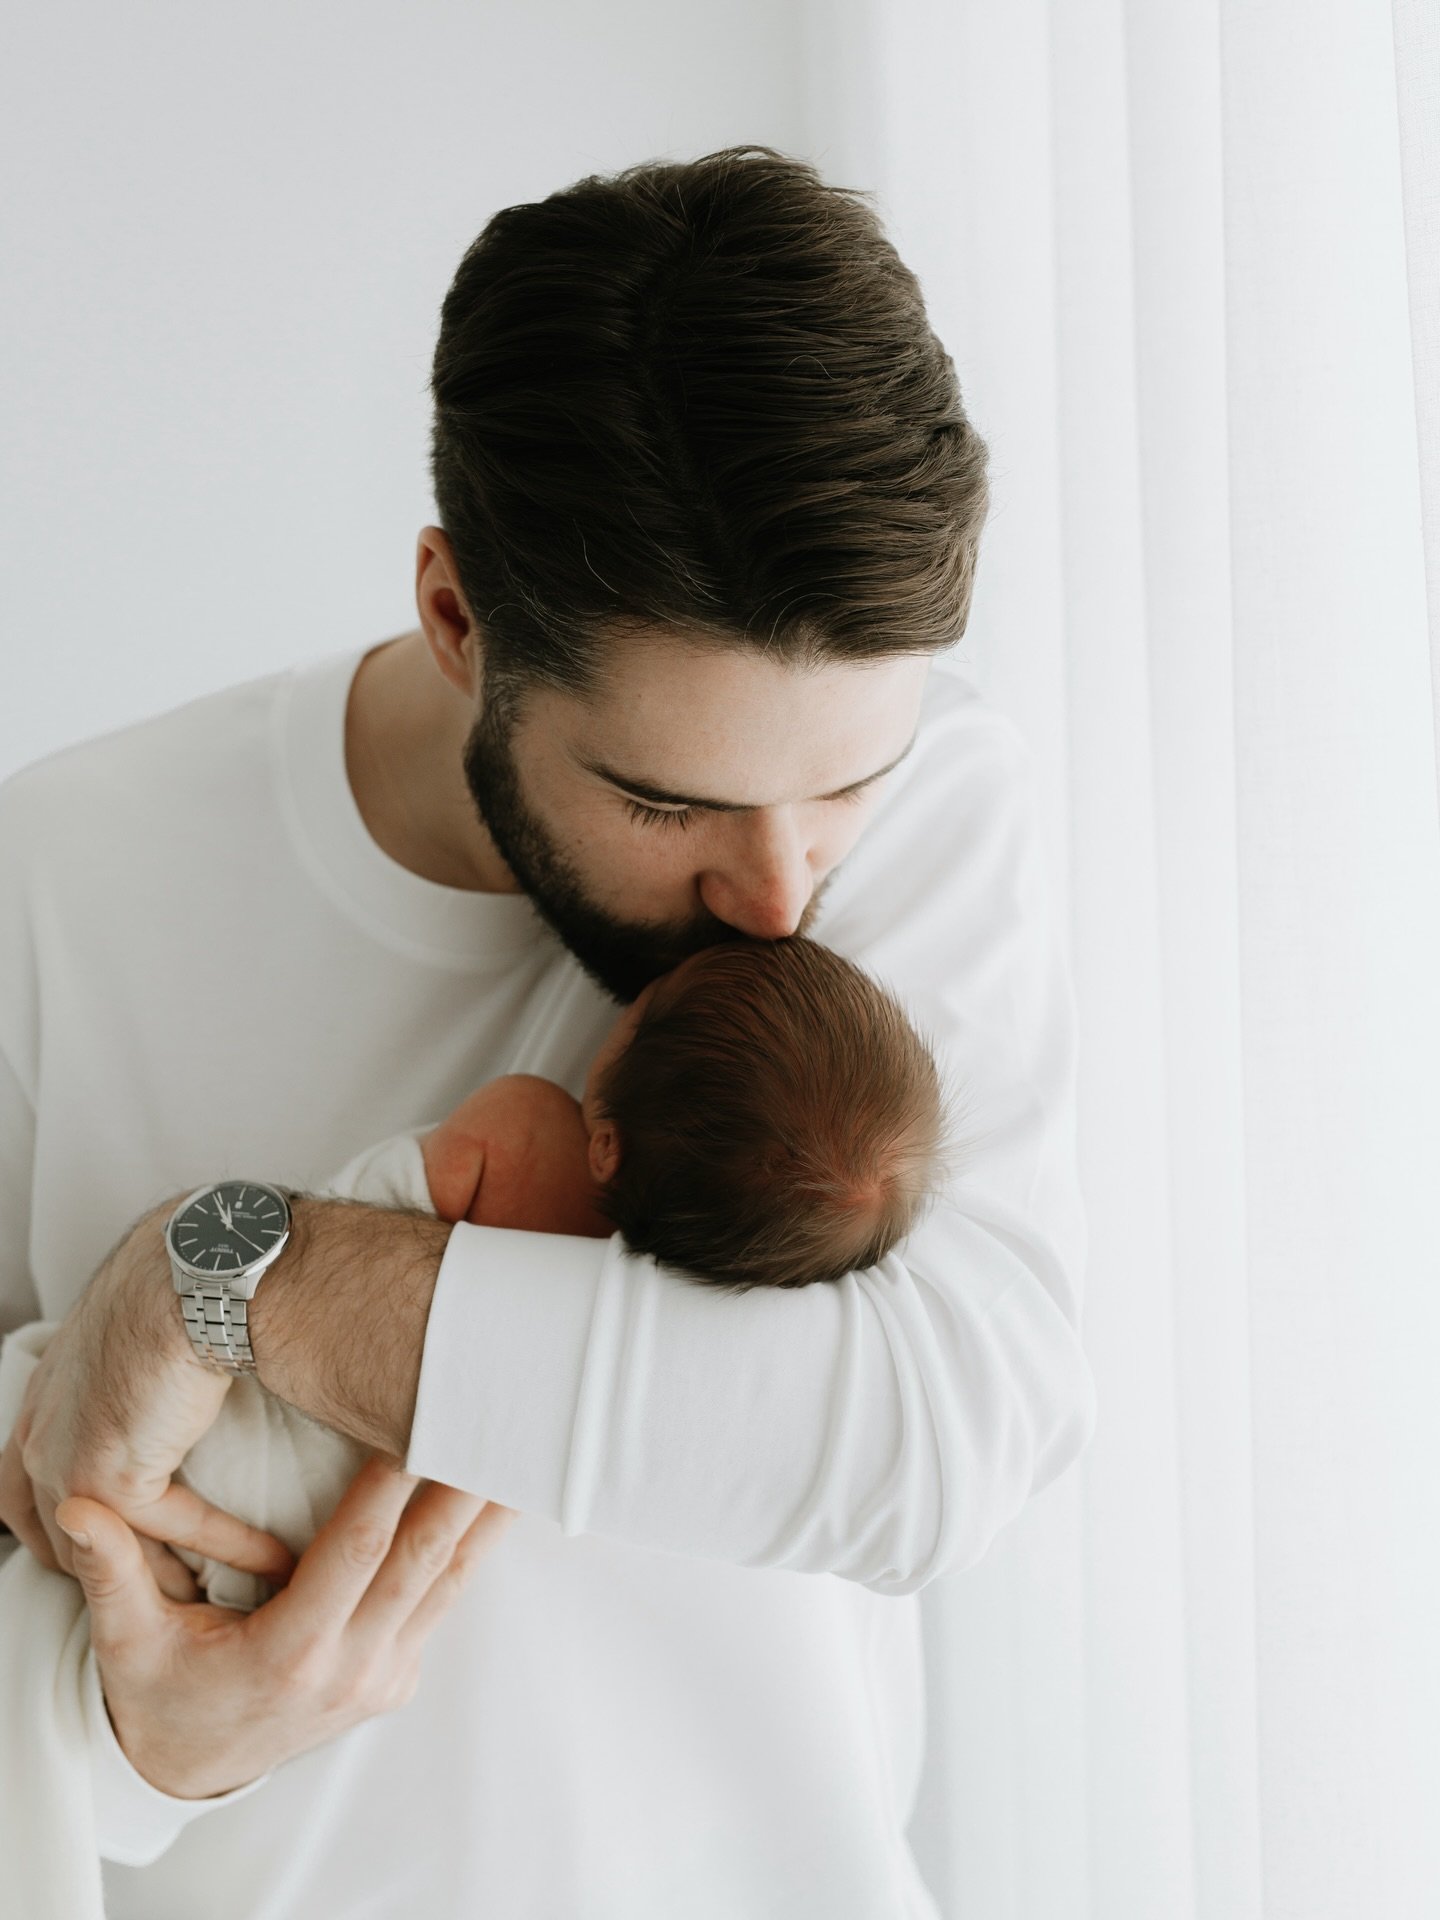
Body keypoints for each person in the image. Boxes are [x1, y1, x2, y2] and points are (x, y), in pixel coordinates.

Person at [0, 144, 1095, 1917]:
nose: (780, 900)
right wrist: (137, 1756)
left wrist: (237, 1272)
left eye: (843, 786)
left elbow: (944, 1438)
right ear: (456, 615)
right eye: (670, 804)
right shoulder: (60, 877)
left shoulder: (931, 806)